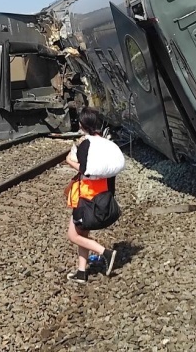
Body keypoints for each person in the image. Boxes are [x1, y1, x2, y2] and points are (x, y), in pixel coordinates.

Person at [65, 107, 120, 284]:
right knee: (83, 234)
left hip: (85, 196)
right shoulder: (104, 144)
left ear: (82, 124)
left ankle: (105, 252)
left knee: (73, 235)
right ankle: (82, 272)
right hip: (101, 194)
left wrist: (68, 160)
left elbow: (84, 169)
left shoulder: (85, 144)